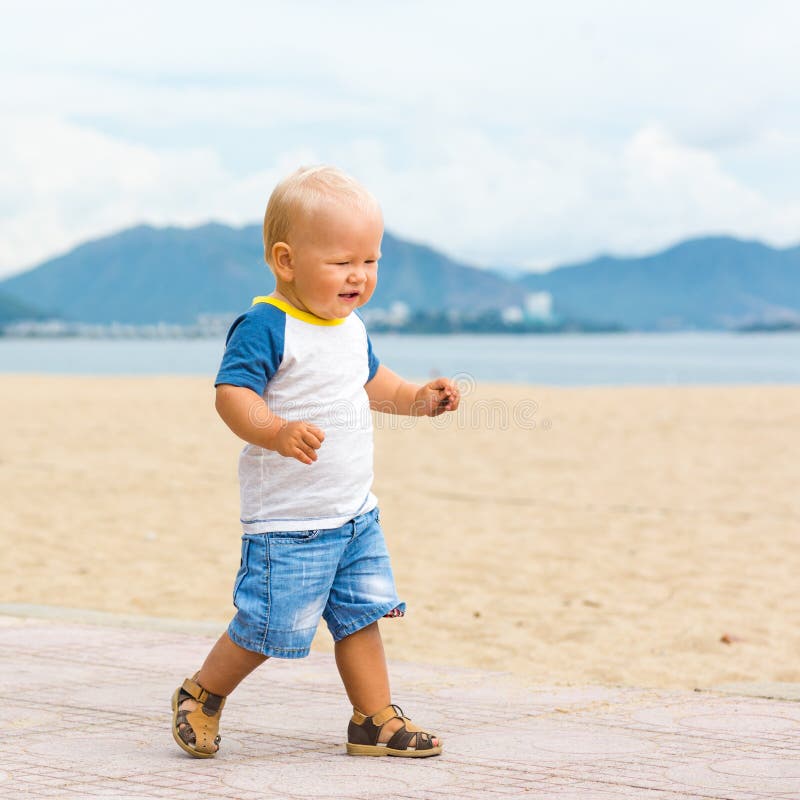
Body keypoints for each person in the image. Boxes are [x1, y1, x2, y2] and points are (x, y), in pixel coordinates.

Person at [171, 165, 460, 759]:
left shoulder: (349, 328)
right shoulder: (266, 326)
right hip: (289, 522)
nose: (359, 276)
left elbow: (375, 384)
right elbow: (232, 395)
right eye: (342, 262)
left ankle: (373, 720)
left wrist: (418, 401)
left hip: (355, 514)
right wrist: (274, 431)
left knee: (361, 616)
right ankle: (202, 694)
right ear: (286, 260)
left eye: (370, 261)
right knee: (265, 628)